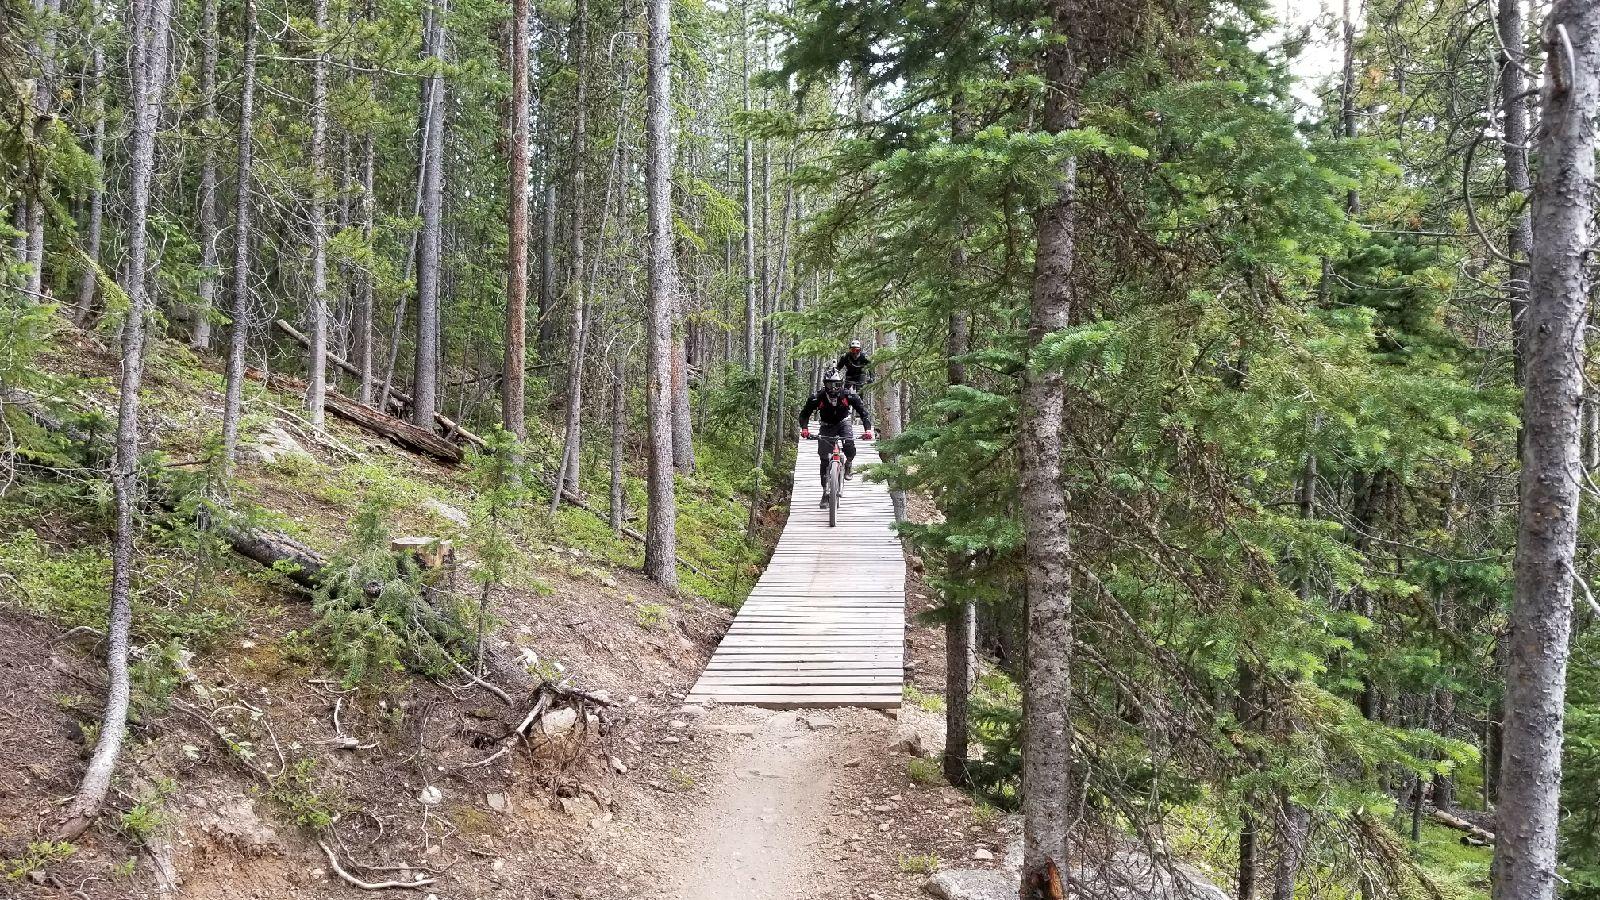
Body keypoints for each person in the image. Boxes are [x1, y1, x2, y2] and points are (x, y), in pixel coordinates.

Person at [798, 369, 873, 507]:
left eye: (837, 384)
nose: (834, 388)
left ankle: (848, 463)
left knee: (849, 445)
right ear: (825, 384)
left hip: (844, 422)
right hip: (826, 426)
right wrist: (805, 428)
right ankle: (825, 492)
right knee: (824, 459)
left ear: (841, 384)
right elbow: (804, 414)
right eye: (830, 385)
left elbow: (864, 413)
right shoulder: (817, 397)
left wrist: (867, 429)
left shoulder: (848, 395)